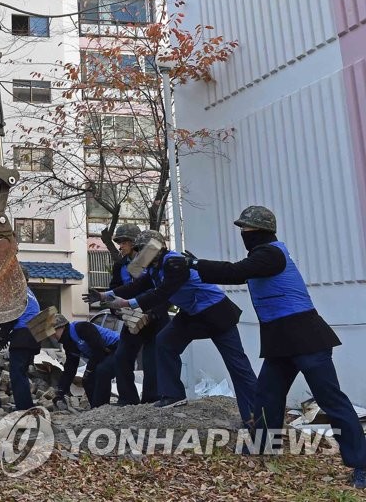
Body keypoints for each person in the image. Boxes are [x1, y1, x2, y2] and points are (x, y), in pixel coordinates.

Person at [189, 206, 365, 488]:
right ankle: (263, 446)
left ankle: (361, 463)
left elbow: (237, 273)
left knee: (331, 400)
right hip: (281, 339)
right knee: (267, 395)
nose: (243, 234)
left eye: (246, 229)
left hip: (305, 337)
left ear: (260, 231)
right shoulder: (264, 254)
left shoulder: (270, 253)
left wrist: (197, 265)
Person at [88, 230, 258, 426]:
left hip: (215, 313)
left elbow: (162, 293)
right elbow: (136, 286)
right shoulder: (153, 268)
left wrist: (126, 303)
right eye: (139, 250)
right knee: (165, 341)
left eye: (144, 250)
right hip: (191, 313)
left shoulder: (174, 263)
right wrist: (103, 296)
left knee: (237, 364)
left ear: (156, 249)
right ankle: (172, 395)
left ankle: (255, 413)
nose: (139, 255)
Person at [104, 223, 169, 405]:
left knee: (151, 361)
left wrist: (152, 313)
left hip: (155, 318)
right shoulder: (120, 266)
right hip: (131, 319)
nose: (121, 246)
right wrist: (115, 309)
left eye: (123, 242)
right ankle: (128, 400)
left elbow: (164, 292)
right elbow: (115, 290)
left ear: (135, 243)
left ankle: (151, 400)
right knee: (122, 357)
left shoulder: (153, 261)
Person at [52, 314, 120, 409]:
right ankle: (96, 408)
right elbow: (70, 369)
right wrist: (60, 391)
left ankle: (102, 408)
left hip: (117, 347)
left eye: (53, 331)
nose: (52, 335)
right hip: (104, 353)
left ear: (62, 326)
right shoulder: (69, 344)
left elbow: (98, 349)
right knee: (87, 380)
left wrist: (89, 370)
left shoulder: (81, 328)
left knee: (102, 371)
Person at [0, 269, 42, 411]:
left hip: (24, 335)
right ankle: (26, 404)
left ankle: (23, 408)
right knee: (22, 372)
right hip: (35, 335)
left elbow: (11, 315)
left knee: (16, 373)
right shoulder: (30, 293)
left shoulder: (18, 291)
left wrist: (3, 336)